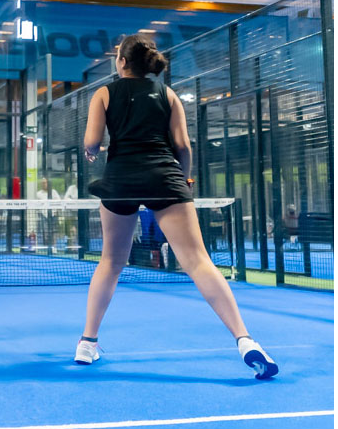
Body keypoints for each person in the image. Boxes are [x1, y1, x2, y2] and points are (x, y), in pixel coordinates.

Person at [78, 34, 277, 379]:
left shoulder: (103, 94)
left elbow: (92, 142)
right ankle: (245, 340)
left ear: (122, 62)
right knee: (198, 262)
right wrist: (185, 180)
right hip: (165, 177)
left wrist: (91, 150)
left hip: (121, 180)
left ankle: (87, 343)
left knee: (110, 262)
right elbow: (183, 146)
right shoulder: (168, 95)